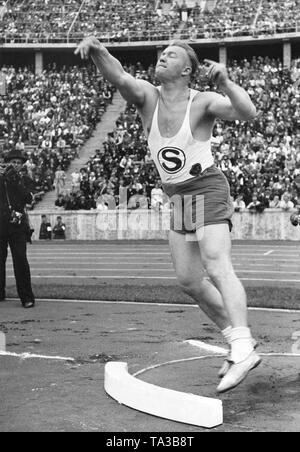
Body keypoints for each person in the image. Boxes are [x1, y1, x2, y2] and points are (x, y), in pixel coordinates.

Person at [75, 37, 260, 393]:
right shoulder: (148, 97)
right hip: (177, 195)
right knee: (189, 280)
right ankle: (240, 340)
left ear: (187, 69)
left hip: (206, 186)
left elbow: (247, 112)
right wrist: (99, 51)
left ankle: (240, 346)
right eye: (162, 53)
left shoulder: (203, 100)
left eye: (171, 54)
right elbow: (119, 78)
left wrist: (226, 83)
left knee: (216, 263)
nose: (163, 57)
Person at [0, 150, 35, 308]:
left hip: (18, 225)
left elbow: (28, 199)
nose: (14, 165)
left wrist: (16, 181)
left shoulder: (25, 179)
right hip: (1, 223)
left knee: (20, 260)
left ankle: (27, 297)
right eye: (12, 162)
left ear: (22, 165)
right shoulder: (1, 178)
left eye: (18, 163)